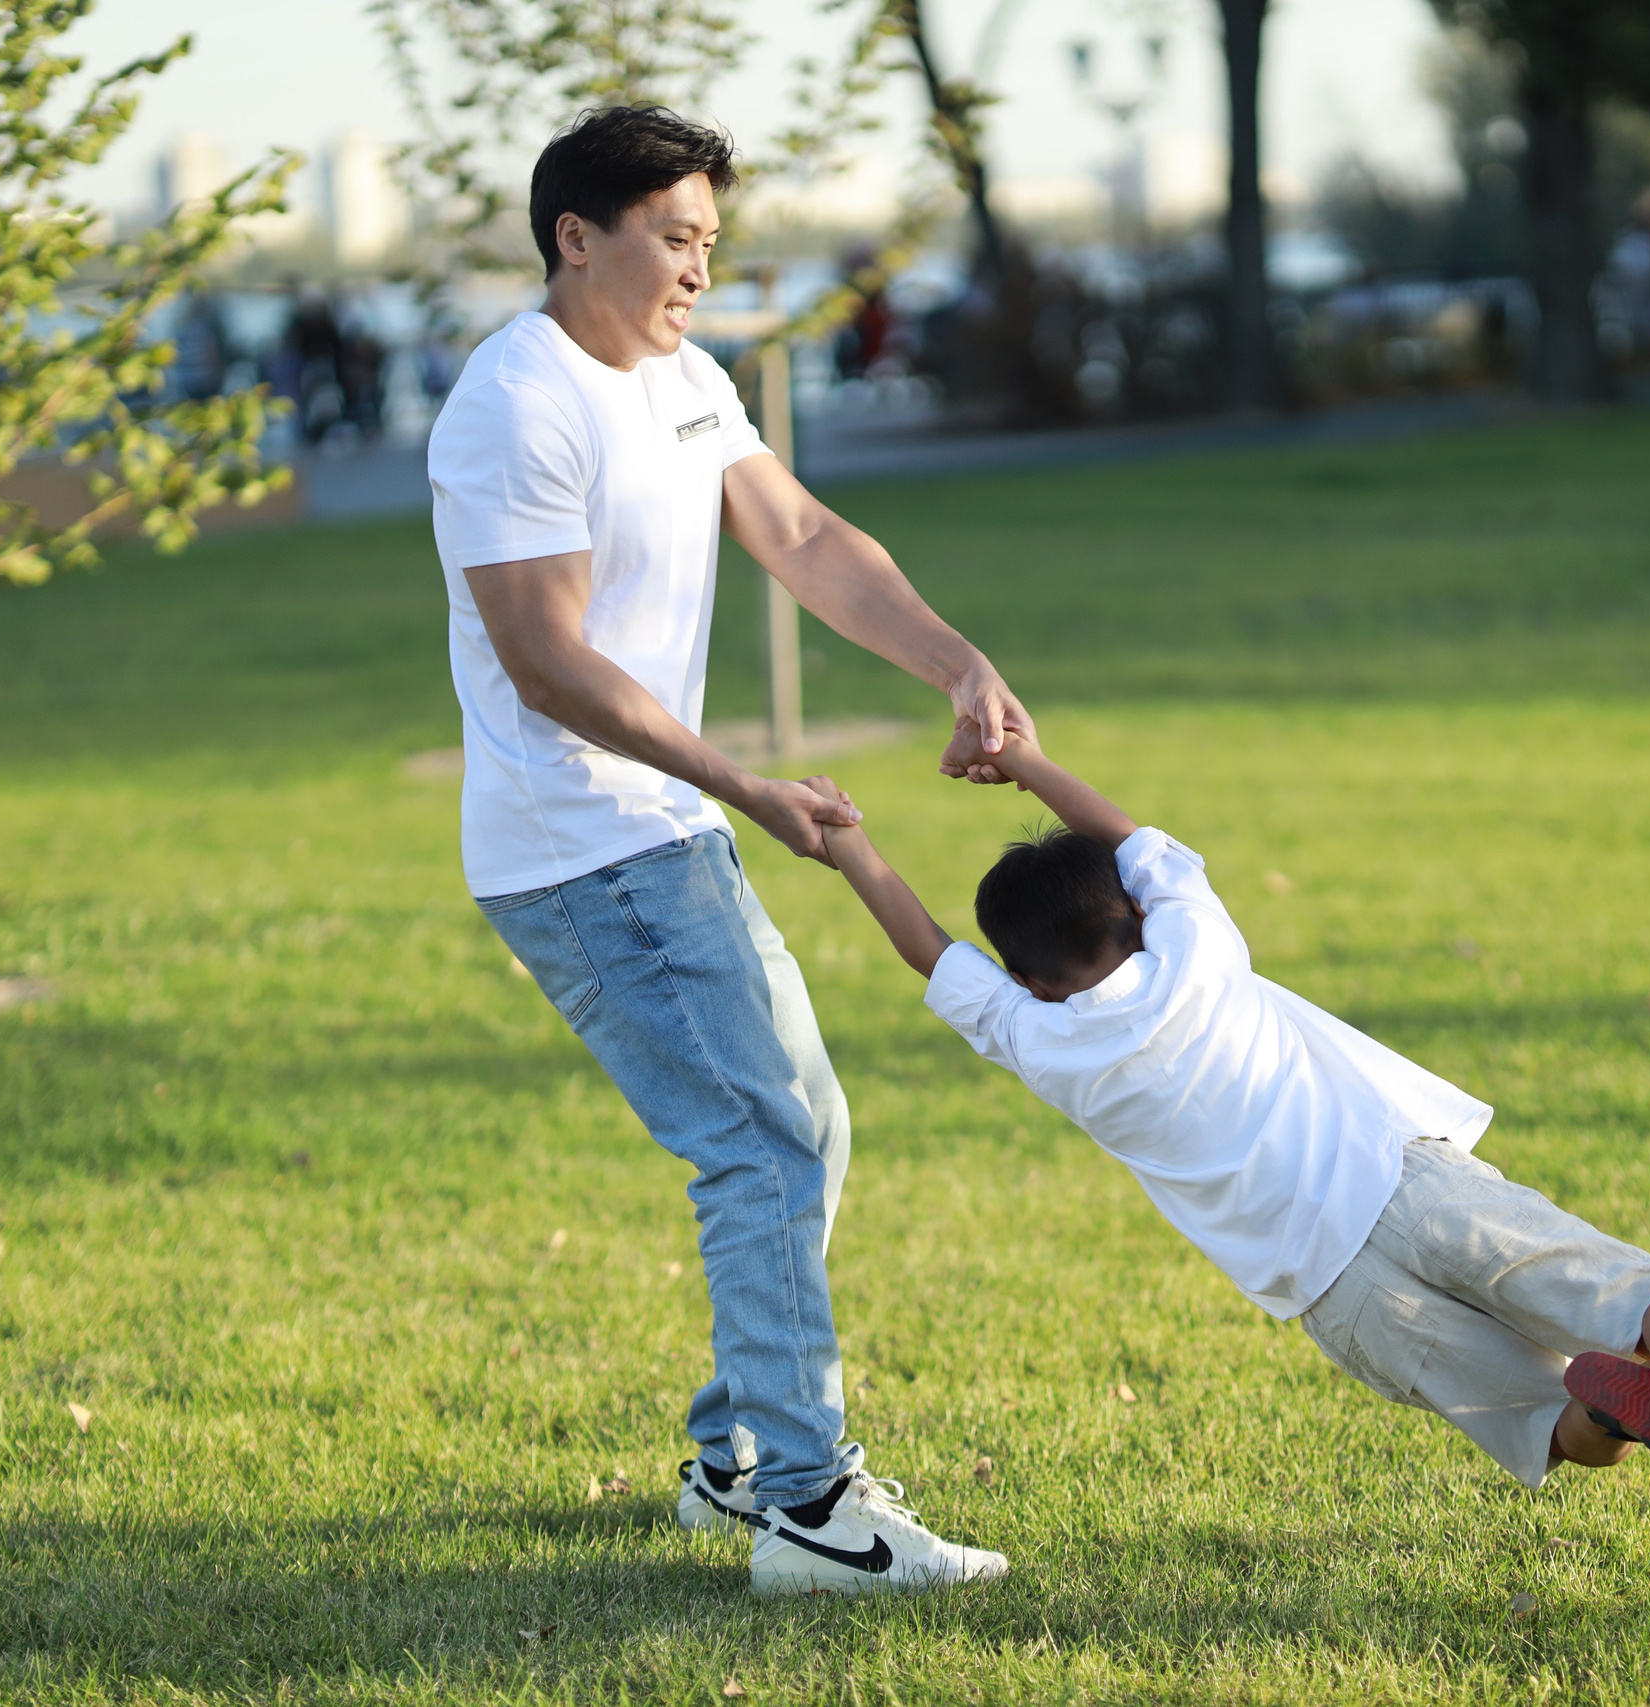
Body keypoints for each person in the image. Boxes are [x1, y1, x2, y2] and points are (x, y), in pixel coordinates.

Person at [423, 104, 1032, 1598]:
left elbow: (805, 538)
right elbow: (548, 663)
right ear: (578, 236)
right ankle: (810, 1506)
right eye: (676, 237)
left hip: (658, 825)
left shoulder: (686, 381)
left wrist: (957, 662)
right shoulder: (516, 404)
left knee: (800, 1124)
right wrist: (744, 784)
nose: (701, 267)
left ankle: (741, 1455)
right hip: (584, 843)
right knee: (763, 1140)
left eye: (711, 239)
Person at [793, 733, 1650, 1491]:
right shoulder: (1196, 945)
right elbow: (1131, 838)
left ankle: (1615, 1414)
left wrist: (850, 844)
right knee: (1618, 1285)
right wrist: (1023, 759)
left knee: (1535, 1416)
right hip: (1403, 1180)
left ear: (1028, 982)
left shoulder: (1040, 1040)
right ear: (1136, 913)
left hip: (1332, 1289)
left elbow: (929, 951)